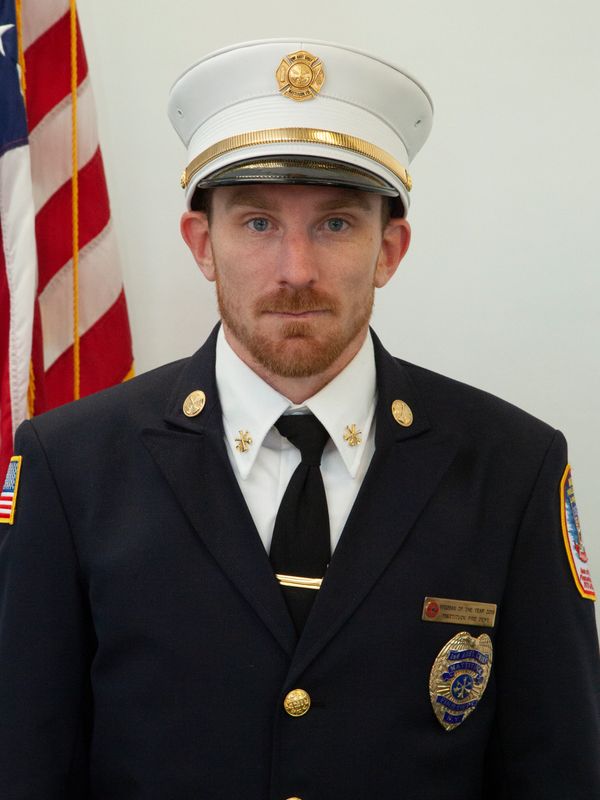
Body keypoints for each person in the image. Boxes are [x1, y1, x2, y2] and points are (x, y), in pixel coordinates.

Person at [0, 37, 599, 800]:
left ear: (389, 249)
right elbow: (26, 760)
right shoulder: (72, 464)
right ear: (201, 244)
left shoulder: (511, 468)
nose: (296, 271)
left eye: (335, 225)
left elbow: (559, 769)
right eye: (257, 223)